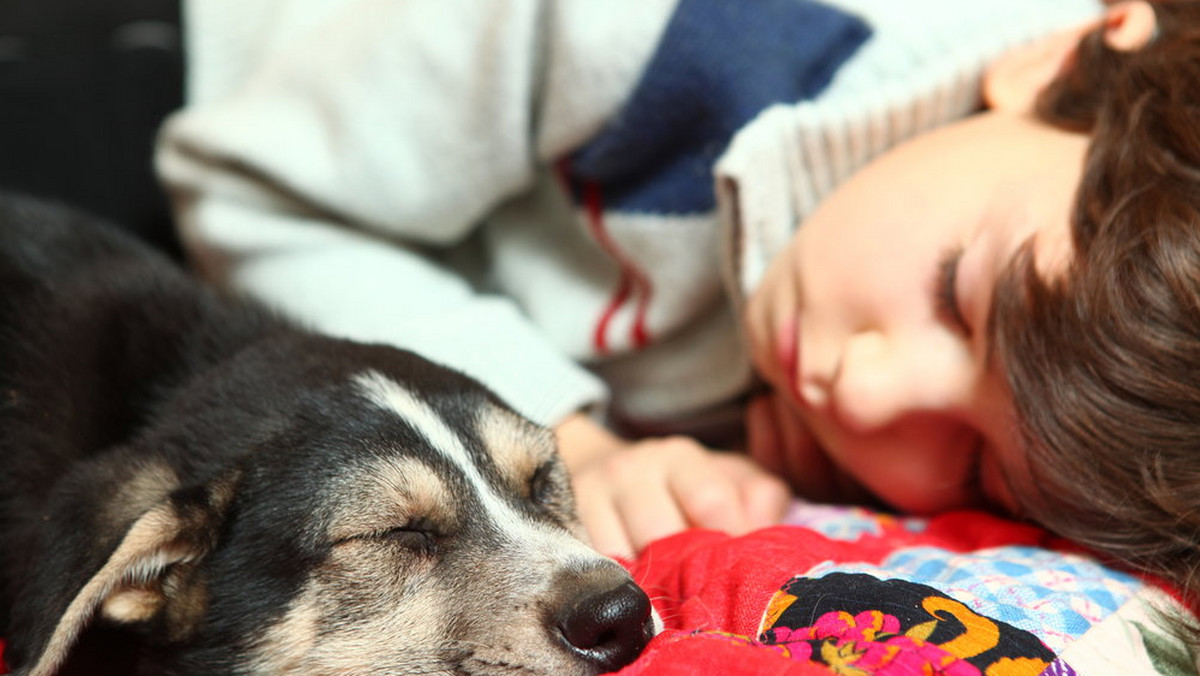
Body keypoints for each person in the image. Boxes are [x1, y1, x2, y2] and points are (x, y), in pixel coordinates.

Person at [156, 0, 1198, 604]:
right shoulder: (653, 31)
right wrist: (572, 440)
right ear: (1060, 58)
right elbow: (252, 187)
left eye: (977, 463)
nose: (867, 393)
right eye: (956, 294)